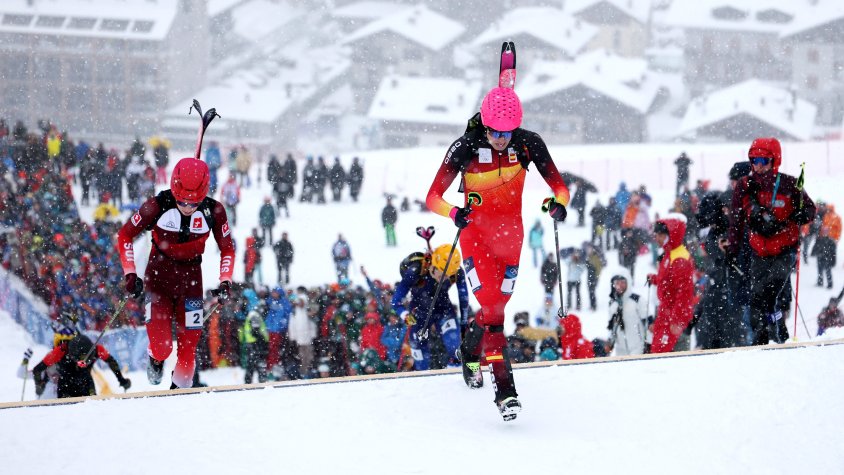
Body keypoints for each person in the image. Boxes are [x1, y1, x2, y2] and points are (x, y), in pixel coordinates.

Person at [426, 86, 570, 421]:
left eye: (506, 133)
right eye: (493, 132)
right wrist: (453, 213)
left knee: (495, 310)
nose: (500, 139)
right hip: (476, 236)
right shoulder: (466, 146)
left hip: (511, 237)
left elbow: (560, 188)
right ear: (484, 125)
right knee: (493, 309)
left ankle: (468, 351)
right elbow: (433, 196)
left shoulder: (528, 143)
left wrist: (558, 206)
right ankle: (505, 392)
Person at [116, 156, 235, 389]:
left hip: (191, 284)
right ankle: (155, 358)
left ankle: (179, 393)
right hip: (158, 282)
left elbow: (228, 248)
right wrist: (130, 273)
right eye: (182, 202)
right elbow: (125, 235)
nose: (188, 208)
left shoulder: (214, 211)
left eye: (194, 203)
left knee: (189, 349)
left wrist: (225, 281)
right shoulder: (157, 205)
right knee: (163, 347)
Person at [727, 137, 816, 346]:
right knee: (760, 299)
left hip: (784, 250)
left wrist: (796, 217)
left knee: (767, 293)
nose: (758, 166)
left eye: (764, 161)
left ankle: (769, 336)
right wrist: (732, 248)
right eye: (754, 160)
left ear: (774, 161)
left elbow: (810, 210)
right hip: (759, 250)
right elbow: (736, 220)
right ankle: (768, 337)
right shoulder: (744, 185)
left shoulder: (789, 183)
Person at [391, 244, 469, 371]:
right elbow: (396, 301)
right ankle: (422, 379)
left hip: (443, 310)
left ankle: (455, 372)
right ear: (434, 265)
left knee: (454, 346)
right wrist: (406, 317)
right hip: (418, 315)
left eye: (449, 276)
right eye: (442, 274)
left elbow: (463, 298)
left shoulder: (456, 272)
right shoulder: (416, 270)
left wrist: (464, 322)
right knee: (420, 357)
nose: (445, 279)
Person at [32, 316, 131, 398]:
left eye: (86, 360)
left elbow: (111, 361)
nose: (82, 363)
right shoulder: (61, 350)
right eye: (78, 360)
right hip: (66, 387)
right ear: (71, 354)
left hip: (86, 384)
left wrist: (121, 379)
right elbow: (37, 369)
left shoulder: (97, 349)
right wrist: (39, 384)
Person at [646, 214, 695, 353]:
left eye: (660, 235)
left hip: (673, 314)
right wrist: (655, 279)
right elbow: (669, 279)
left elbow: (684, 293)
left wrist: (677, 320)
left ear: (670, 235)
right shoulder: (670, 253)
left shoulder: (679, 258)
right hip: (665, 312)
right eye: (656, 235)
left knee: (661, 354)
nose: (657, 239)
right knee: (656, 350)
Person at [607, 272, 648, 356]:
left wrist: (649, 343)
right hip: (620, 349)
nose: (620, 285)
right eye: (617, 283)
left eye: (622, 282)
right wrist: (610, 342)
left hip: (637, 346)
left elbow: (648, 322)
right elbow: (611, 325)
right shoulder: (612, 303)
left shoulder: (637, 300)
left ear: (628, 283)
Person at [813, 202, 839, 289]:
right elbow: (821, 227)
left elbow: (838, 229)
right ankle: (822, 281)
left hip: (828, 242)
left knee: (826, 266)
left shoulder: (835, 218)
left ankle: (828, 283)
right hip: (824, 242)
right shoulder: (826, 216)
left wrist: (835, 238)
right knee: (821, 264)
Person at [241, 301, 269, 384]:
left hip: (252, 342)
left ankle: (248, 381)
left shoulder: (252, 315)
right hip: (256, 343)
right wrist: (263, 341)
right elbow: (256, 331)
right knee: (258, 363)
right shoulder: (255, 316)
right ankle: (261, 381)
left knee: (251, 363)